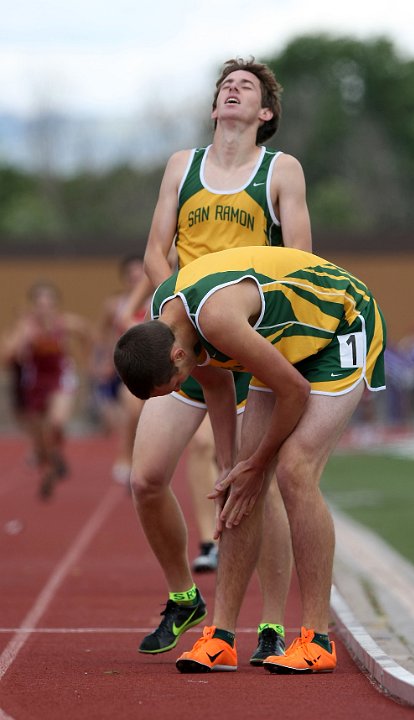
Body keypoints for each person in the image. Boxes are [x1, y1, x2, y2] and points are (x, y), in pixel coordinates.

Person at [114, 244, 387, 674]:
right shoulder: (164, 319)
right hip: (286, 342)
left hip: (342, 324)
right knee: (241, 485)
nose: (179, 388)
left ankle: (316, 638)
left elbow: (294, 391)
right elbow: (218, 387)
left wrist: (257, 465)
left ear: (177, 356)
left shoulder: (217, 321)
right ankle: (221, 637)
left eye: (175, 383)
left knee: (294, 471)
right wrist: (231, 468)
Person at [123, 57, 312, 662]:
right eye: (225, 85)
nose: (232, 89)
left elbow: (302, 262)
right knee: (147, 479)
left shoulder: (281, 170)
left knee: (256, 486)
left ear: (265, 113)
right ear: (213, 107)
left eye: (246, 87)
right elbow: (157, 249)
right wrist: (181, 311)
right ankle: (185, 598)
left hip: (252, 344)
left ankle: (273, 625)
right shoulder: (183, 166)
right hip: (189, 340)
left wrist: (238, 322)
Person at [2, 281, 93, 499]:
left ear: (55, 305)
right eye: (40, 304)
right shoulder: (26, 327)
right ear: (34, 306)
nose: (45, 308)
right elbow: (6, 357)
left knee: (56, 422)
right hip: (34, 384)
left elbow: (87, 333)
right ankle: (50, 460)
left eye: (49, 303)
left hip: (60, 379)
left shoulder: (65, 323)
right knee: (40, 439)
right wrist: (23, 341)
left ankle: (53, 465)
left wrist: (88, 361)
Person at [90, 254, 146, 487]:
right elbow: (102, 332)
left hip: (153, 368)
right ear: (124, 280)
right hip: (124, 369)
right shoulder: (116, 305)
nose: (135, 280)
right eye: (131, 277)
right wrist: (100, 359)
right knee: (131, 412)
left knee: (144, 419)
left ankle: (141, 460)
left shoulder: (160, 300)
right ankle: (125, 457)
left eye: (139, 276)